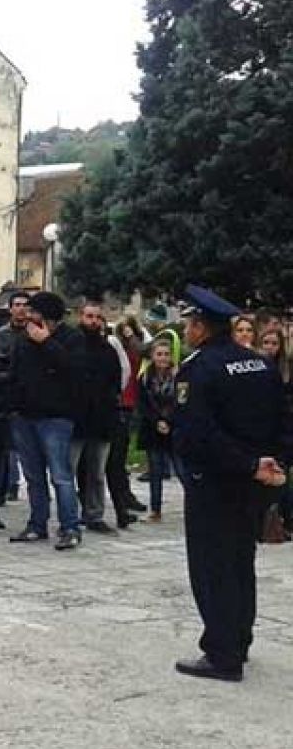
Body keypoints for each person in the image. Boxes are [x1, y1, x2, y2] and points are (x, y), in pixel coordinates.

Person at [172, 286, 285, 683]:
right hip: (254, 482)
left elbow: (197, 435)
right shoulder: (259, 365)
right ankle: (239, 638)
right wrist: (270, 465)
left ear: (201, 327)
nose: (186, 330)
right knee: (240, 563)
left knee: (212, 566)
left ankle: (222, 654)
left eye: (189, 323)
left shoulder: (198, 369)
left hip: (215, 482)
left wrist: (248, 463)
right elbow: (281, 421)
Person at [8, 291, 85, 550]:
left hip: (56, 419)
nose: (27, 317)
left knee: (61, 476)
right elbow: (15, 373)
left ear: (49, 318)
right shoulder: (22, 340)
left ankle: (70, 527)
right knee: (33, 476)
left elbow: (75, 370)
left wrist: (47, 342)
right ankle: (37, 524)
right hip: (24, 416)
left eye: (33, 313)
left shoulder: (72, 339)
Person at [71, 301, 125, 534]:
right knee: (68, 470)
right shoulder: (71, 346)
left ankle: (94, 514)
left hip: (102, 420)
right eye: (89, 316)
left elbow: (117, 381)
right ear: (80, 317)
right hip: (75, 419)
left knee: (97, 473)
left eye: (97, 317)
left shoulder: (108, 350)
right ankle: (69, 515)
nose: (93, 321)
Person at [0, 291, 32, 510]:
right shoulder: (0, 335)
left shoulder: (36, 334)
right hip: (4, 399)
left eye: (26, 305)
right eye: (17, 305)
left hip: (30, 401)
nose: (21, 309)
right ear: (10, 308)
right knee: (2, 450)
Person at [107, 317, 150, 517]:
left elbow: (145, 351)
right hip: (120, 402)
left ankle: (125, 495)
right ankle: (122, 498)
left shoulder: (136, 346)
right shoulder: (114, 346)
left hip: (133, 401)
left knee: (121, 454)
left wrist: (131, 335)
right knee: (116, 456)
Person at [138, 341, 179, 522]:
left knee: (181, 468)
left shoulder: (178, 377)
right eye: (159, 354)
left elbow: (180, 402)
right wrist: (157, 421)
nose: (163, 358)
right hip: (153, 428)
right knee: (155, 470)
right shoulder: (145, 377)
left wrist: (169, 421)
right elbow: (143, 405)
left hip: (174, 428)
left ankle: (196, 506)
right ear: (153, 356)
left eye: (166, 354)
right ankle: (156, 510)